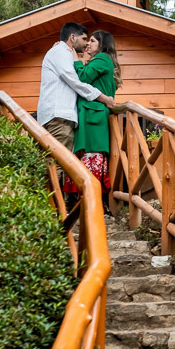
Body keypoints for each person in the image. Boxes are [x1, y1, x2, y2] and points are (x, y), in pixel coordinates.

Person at [38, 21, 115, 163]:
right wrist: (103, 97)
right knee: (61, 165)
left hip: (63, 118)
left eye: (91, 40)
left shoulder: (62, 53)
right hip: (59, 117)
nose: (86, 44)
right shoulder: (60, 52)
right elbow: (77, 82)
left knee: (60, 164)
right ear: (73, 38)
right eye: (85, 39)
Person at [62, 30, 121, 212]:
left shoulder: (102, 58)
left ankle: (93, 203)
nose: (88, 44)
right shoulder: (100, 60)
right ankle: (86, 201)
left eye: (93, 41)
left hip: (94, 116)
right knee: (88, 158)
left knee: (92, 157)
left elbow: (82, 78)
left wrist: (75, 59)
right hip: (90, 115)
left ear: (103, 45)